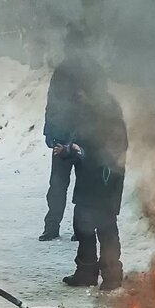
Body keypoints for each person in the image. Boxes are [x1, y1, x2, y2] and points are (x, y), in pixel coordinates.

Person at [63, 73, 128, 291]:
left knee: (106, 229)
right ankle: (85, 273)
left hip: (104, 183)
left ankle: (112, 276)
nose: (78, 96)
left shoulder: (109, 116)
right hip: (86, 183)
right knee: (83, 228)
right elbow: (77, 139)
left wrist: (85, 153)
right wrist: (68, 150)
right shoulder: (85, 112)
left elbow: (113, 153)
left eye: (82, 92)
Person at [40, 31, 105, 242]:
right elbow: (53, 104)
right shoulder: (61, 72)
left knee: (82, 186)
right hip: (62, 136)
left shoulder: (94, 72)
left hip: (86, 138)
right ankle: (52, 226)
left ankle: (81, 229)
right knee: (58, 185)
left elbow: (100, 107)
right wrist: (50, 133)